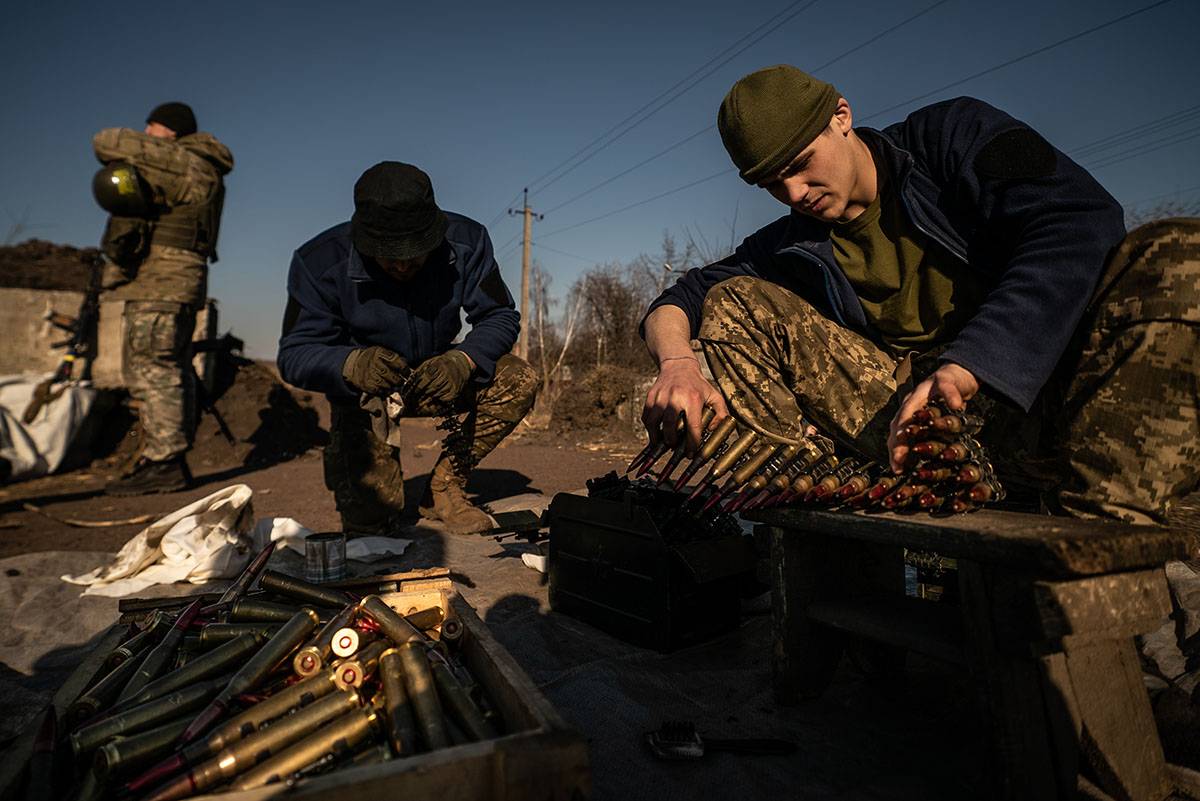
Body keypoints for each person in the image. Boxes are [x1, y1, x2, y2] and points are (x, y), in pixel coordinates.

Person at [641, 65, 1200, 526]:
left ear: (841, 117)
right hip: (914, 433)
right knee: (735, 301)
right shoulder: (792, 241)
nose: (792, 193)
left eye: (799, 165)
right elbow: (683, 296)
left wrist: (968, 365)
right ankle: (806, 515)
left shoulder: (950, 138)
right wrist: (676, 363)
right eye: (769, 184)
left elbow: (1078, 222)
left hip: (1049, 392)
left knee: (1181, 253)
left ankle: (1104, 537)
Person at [277, 162, 538, 536]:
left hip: (437, 376)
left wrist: (463, 360)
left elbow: (499, 314)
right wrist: (350, 364)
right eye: (388, 254)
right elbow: (295, 353)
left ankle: (443, 491)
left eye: (415, 251)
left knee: (520, 378)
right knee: (373, 529)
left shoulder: (468, 241)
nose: (402, 263)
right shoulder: (319, 261)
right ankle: (374, 496)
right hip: (365, 392)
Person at [94, 102, 234, 495]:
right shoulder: (200, 165)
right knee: (170, 365)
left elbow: (105, 142)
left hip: (164, 283)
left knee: (154, 367)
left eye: (151, 127)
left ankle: (164, 461)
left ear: (169, 131)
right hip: (176, 282)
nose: (147, 134)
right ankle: (165, 457)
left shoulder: (183, 162)